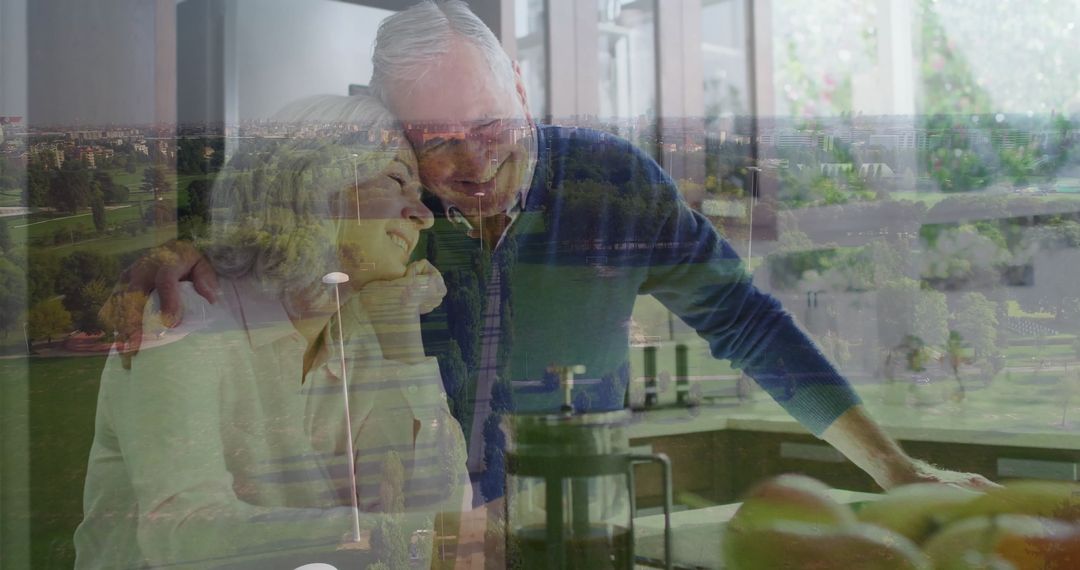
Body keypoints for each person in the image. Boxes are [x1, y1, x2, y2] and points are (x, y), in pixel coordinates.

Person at [114, 1, 994, 504]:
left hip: (566, 530)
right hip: (402, 542)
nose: (472, 164)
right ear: (384, 122)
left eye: (492, 125)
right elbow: (269, 255)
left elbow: (745, 322)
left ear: (524, 88)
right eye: (436, 141)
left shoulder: (613, 184)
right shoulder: (382, 210)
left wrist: (896, 467)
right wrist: (187, 255)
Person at [75, 95, 468, 569]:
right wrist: (430, 538)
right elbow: (182, 536)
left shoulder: (354, 338)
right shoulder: (184, 319)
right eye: (394, 180)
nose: (422, 215)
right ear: (311, 181)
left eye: (420, 194)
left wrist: (403, 330)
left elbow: (432, 506)